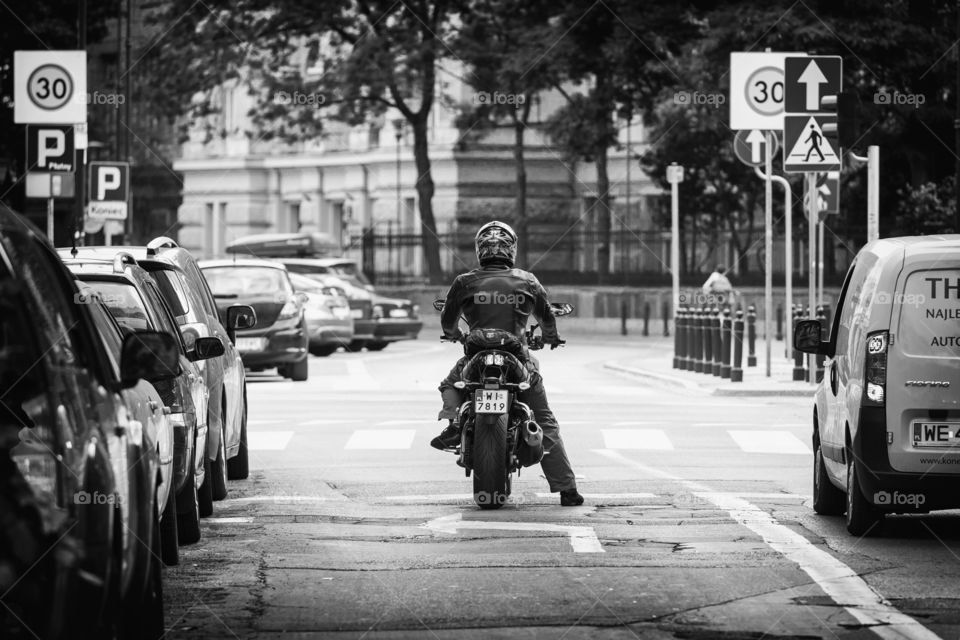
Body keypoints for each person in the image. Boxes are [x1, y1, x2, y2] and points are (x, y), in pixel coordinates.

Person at [430, 221, 584, 507]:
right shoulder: (527, 281)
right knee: (544, 420)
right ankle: (567, 490)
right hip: (518, 359)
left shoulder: (464, 282)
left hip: (475, 359)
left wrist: (454, 335)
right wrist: (551, 338)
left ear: (479, 250)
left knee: (450, 384)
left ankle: (453, 423)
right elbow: (547, 318)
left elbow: (447, 320)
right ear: (512, 250)